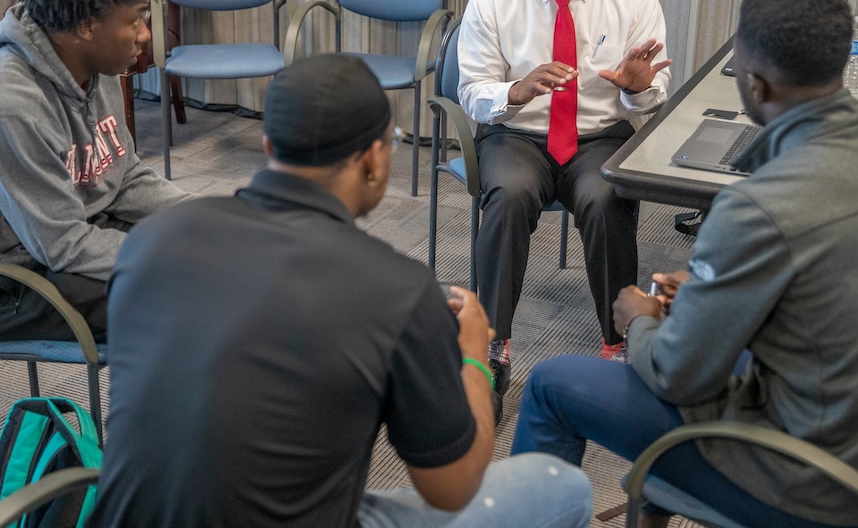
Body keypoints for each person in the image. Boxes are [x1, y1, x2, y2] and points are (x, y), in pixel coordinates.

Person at [511, 0, 858, 527]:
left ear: (755, 85)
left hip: (813, 486)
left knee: (552, 384)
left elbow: (678, 376)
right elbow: (843, 282)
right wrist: (707, 296)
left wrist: (641, 322)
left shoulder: (757, 206)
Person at [89, 55, 594, 528]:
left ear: (269, 146)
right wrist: (474, 358)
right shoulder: (397, 290)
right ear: (375, 160)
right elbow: (452, 487)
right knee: (562, 487)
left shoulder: (151, 240)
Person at [457, 0, 672, 418]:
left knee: (607, 198)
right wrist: (515, 88)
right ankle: (491, 348)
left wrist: (639, 91)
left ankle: (619, 343)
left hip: (599, 135)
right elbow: (472, 90)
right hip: (518, 135)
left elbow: (654, 94)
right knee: (507, 197)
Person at [0, 0, 188, 343]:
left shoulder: (92, 68)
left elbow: (125, 178)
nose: (144, 35)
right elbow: (63, 246)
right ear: (85, 26)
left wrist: (206, 217)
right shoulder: (5, 105)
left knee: (214, 254)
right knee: (190, 296)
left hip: (70, 230)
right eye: (136, 19)